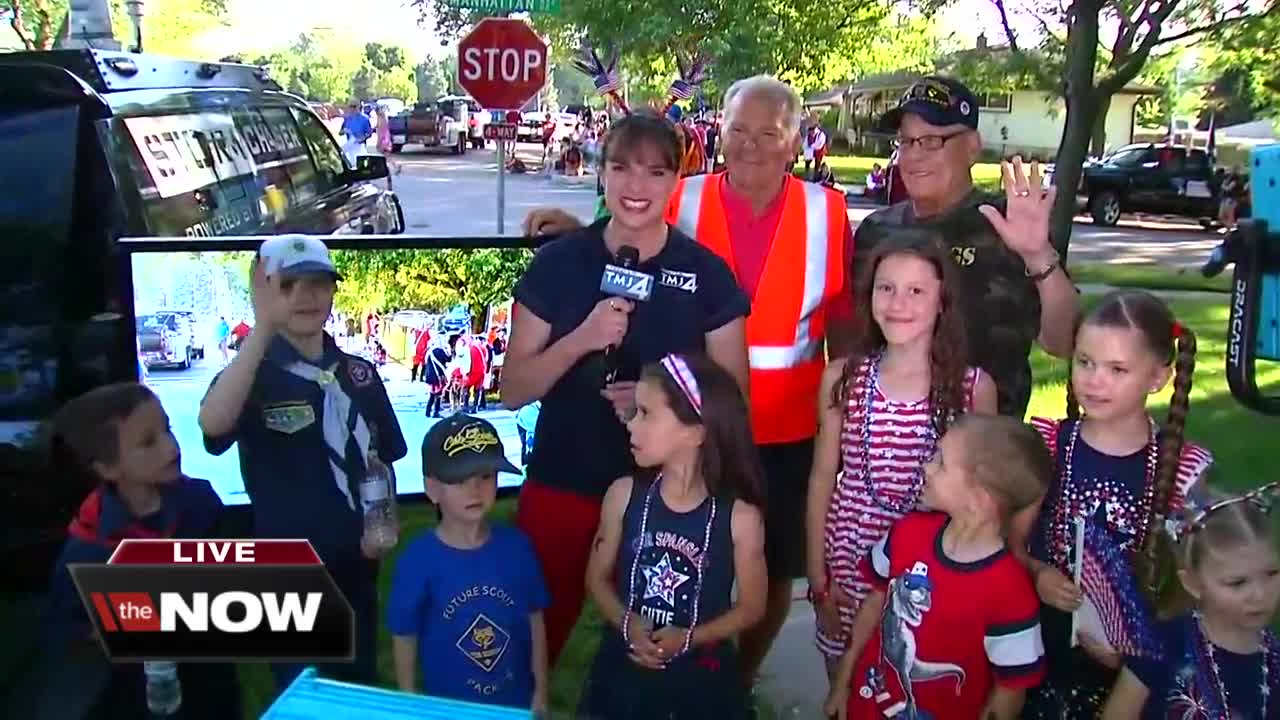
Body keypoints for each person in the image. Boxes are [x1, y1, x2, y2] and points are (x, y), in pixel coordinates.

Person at [522, 76, 855, 691]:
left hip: (783, 427)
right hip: (681, 427)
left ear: (796, 141)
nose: (751, 146)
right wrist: (574, 233)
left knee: (766, 567)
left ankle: (738, 681)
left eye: (769, 134)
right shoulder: (686, 196)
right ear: (719, 133)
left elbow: (841, 313)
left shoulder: (827, 211)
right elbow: (628, 230)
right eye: (738, 131)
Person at [501, 111, 751, 668]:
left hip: (668, 495)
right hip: (564, 479)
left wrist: (659, 402)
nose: (636, 188)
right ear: (601, 173)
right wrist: (581, 339)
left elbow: (732, 399)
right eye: (621, 168)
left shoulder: (707, 275)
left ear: (676, 181)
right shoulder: (558, 263)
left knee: (663, 652)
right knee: (528, 645)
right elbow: (513, 389)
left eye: (655, 172)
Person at [197, 235, 408, 690]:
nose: (307, 296)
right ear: (264, 292)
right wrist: (261, 330)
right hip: (288, 568)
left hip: (355, 560)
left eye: (319, 283)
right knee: (302, 689)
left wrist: (382, 523)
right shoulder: (251, 375)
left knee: (357, 683)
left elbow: (382, 459)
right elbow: (214, 426)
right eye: (288, 285)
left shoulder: (359, 374)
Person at [805, 230, 997, 684]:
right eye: (886, 288)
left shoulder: (972, 389)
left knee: (911, 687)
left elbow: (984, 499)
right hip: (849, 562)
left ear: (941, 302)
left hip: (929, 573)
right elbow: (821, 479)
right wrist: (818, 580)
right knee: (847, 685)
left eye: (916, 291)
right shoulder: (843, 378)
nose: (898, 303)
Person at [1012, 290, 1213, 719]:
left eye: (1117, 369)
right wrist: (1039, 573)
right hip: (1040, 656)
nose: (1094, 380)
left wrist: (1135, 653)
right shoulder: (1050, 444)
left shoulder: (1181, 468)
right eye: (1085, 362)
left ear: (1158, 376)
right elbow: (1008, 543)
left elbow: (1192, 591)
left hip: (1133, 677)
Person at [857, 76, 1079, 419]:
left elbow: (1063, 342)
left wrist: (1037, 255)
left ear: (972, 146)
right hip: (890, 446)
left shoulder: (1005, 226)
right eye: (906, 141)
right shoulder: (876, 232)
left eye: (932, 140)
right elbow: (857, 343)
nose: (914, 155)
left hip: (984, 447)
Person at [824, 414, 1052, 720]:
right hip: (867, 707)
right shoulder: (906, 534)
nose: (926, 467)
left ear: (978, 500)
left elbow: (1009, 693)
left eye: (940, 462)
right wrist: (843, 682)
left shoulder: (1011, 594)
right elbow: (874, 604)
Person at [579, 354, 767, 717]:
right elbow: (596, 577)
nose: (631, 426)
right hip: (624, 671)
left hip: (702, 683)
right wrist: (626, 622)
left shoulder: (739, 518)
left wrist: (689, 638)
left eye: (646, 414)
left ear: (696, 432)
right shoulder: (622, 495)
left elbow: (752, 606)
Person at [38, 383, 240, 719]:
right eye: (148, 442)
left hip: (212, 687)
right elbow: (70, 634)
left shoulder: (202, 503)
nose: (171, 447)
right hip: (136, 697)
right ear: (106, 468)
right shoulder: (88, 550)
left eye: (168, 429)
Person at [387, 414, 549, 712]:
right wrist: (409, 702)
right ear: (433, 488)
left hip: (513, 704)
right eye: (460, 480)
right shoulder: (417, 561)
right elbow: (404, 635)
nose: (475, 490)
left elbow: (534, 620)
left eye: (486, 476)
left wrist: (540, 690)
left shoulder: (518, 548)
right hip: (450, 708)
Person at [1100, 482, 1280, 719]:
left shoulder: (1273, 662)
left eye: (1271, 574)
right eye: (1237, 583)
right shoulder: (1161, 645)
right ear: (1193, 584)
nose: (1260, 594)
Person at [423, 337, 451, 418]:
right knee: (438, 395)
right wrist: (448, 351)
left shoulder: (430, 352)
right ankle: (436, 412)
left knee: (432, 394)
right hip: (438, 376)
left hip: (430, 375)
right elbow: (447, 360)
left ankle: (428, 411)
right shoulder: (440, 351)